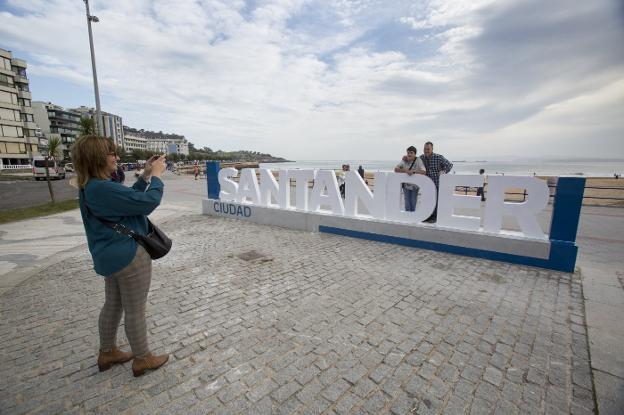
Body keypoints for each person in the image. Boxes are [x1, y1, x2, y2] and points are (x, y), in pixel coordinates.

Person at [72, 135, 169, 377]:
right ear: (97, 158)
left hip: (109, 256)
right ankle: (143, 359)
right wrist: (157, 176)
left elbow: (127, 203)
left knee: (113, 305)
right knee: (135, 309)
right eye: (111, 153)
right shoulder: (102, 188)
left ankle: (107, 352)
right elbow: (147, 202)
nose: (116, 157)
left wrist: (145, 175)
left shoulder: (91, 187)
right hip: (128, 255)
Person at [419, 141, 453, 222]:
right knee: (428, 201)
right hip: (427, 184)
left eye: (428, 149)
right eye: (425, 149)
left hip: (438, 183)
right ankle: (427, 216)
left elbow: (450, 165)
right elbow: (413, 162)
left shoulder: (438, 157)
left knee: (436, 201)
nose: (426, 150)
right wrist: (405, 158)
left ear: (432, 149)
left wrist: (443, 171)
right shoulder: (421, 158)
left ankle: (435, 217)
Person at [395, 146, 426, 212]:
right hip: (406, 186)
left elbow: (424, 171)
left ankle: (412, 217)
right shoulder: (404, 160)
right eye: (408, 153)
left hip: (415, 186)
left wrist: (413, 171)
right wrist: (406, 170)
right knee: (407, 203)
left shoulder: (418, 160)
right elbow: (396, 169)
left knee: (413, 202)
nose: (409, 154)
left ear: (415, 154)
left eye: (411, 153)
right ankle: (407, 217)